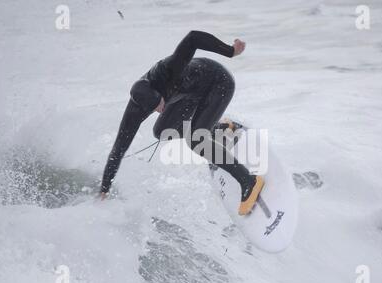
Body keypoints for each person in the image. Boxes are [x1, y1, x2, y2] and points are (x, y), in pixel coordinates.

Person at [99, 30, 264, 215]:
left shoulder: (168, 69)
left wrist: (230, 51)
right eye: (154, 109)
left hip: (218, 82)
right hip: (191, 95)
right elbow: (118, 150)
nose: (160, 109)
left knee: (197, 141)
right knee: (161, 131)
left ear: (156, 90)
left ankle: (248, 181)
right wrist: (104, 190)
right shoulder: (135, 109)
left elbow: (193, 37)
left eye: (159, 103)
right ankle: (219, 128)